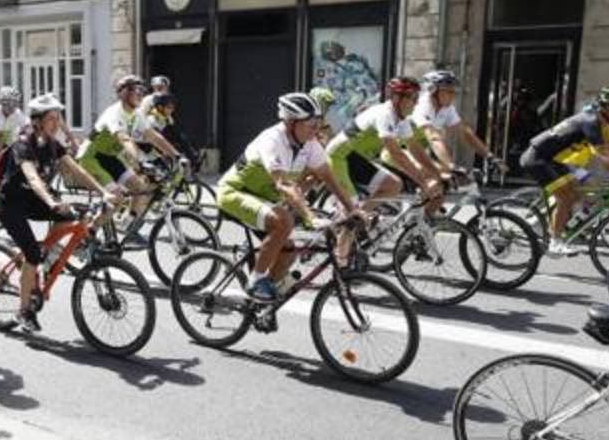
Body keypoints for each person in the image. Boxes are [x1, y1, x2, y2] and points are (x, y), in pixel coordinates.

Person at [218, 93, 360, 301]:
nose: (316, 129)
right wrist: (310, 217)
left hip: (264, 200)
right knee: (284, 221)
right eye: (311, 124)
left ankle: (261, 304)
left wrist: (352, 209)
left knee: (289, 255)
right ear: (292, 122)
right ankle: (255, 281)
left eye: (318, 123)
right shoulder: (272, 140)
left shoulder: (309, 143)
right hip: (234, 193)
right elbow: (284, 184)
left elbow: (330, 179)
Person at [0, 94, 120, 333]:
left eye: (58, 117)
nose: (57, 122)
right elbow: (32, 177)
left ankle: (49, 258)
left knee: (71, 217)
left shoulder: (54, 144)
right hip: (10, 204)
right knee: (32, 252)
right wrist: (52, 201)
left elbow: (78, 171)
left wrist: (104, 192)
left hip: (33, 200)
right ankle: (23, 311)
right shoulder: (24, 143)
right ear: (38, 121)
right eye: (52, 118)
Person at [520, 87, 609, 256]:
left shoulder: (606, 125)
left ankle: (545, 226)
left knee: (576, 195)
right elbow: (605, 156)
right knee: (567, 198)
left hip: (554, 160)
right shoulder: (591, 121)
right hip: (538, 158)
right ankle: (555, 241)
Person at [78, 74, 184, 232]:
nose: (141, 93)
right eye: (136, 90)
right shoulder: (114, 113)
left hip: (110, 157)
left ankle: (126, 226)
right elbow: (124, 139)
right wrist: (139, 162)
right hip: (91, 158)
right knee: (117, 198)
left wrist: (176, 155)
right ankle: (88, 233)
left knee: (141, 188)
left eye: (143, 90)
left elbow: (152, 135)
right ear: (124, 93)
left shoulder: (137, 114)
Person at [326, 76, 443, 217]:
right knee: (352, 214)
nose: (416, 102)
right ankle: (351, 222)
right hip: (338, 158)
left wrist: (437, 174)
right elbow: (396, 153)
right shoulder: (384, 114)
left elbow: (414, 148)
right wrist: (423, 183)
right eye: (413, 97)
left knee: (393, 184)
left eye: (417, 97)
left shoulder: (401, 118)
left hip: (355, 160)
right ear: (397, 98)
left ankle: (358, 218)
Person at [412, 70, 501, 175]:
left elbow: (465, 133)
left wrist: (490, 157)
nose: (453, 96)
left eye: (454, 92)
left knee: (451, 178)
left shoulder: (446, 108)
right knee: (440, 177)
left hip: (420, 150)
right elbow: (434, 138)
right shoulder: (421, 107)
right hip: (401, 151)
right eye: (448, 91)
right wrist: (451, 166)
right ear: (433, 90)